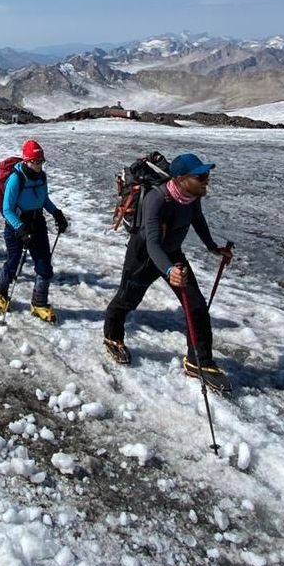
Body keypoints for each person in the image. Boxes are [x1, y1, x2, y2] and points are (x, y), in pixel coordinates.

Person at [102, 152, 233, 392]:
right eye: (201, 176)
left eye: (207, 175)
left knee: (196, 306)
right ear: (181, 178)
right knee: (127, 299)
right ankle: (112, 336)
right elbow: (152, 243)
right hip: (143, 256)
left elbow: (198, 219)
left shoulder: (192, 197)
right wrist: (170, 270)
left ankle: (199, 361)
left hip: (172, 255)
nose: (207, 180)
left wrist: (213, 247)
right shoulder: (157, 199)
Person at [0, 139, 68, 323]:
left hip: (37, 223)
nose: (38, 165)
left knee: (44, 266)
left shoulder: (42, 176)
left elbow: (44, 199)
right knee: (13, 263)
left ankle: (39, 303)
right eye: (35, 162)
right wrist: (20, 229)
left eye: (41, 161)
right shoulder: (15, 179)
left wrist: (57, 213)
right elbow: (7, 209)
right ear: (26, 160)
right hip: (16, 226)